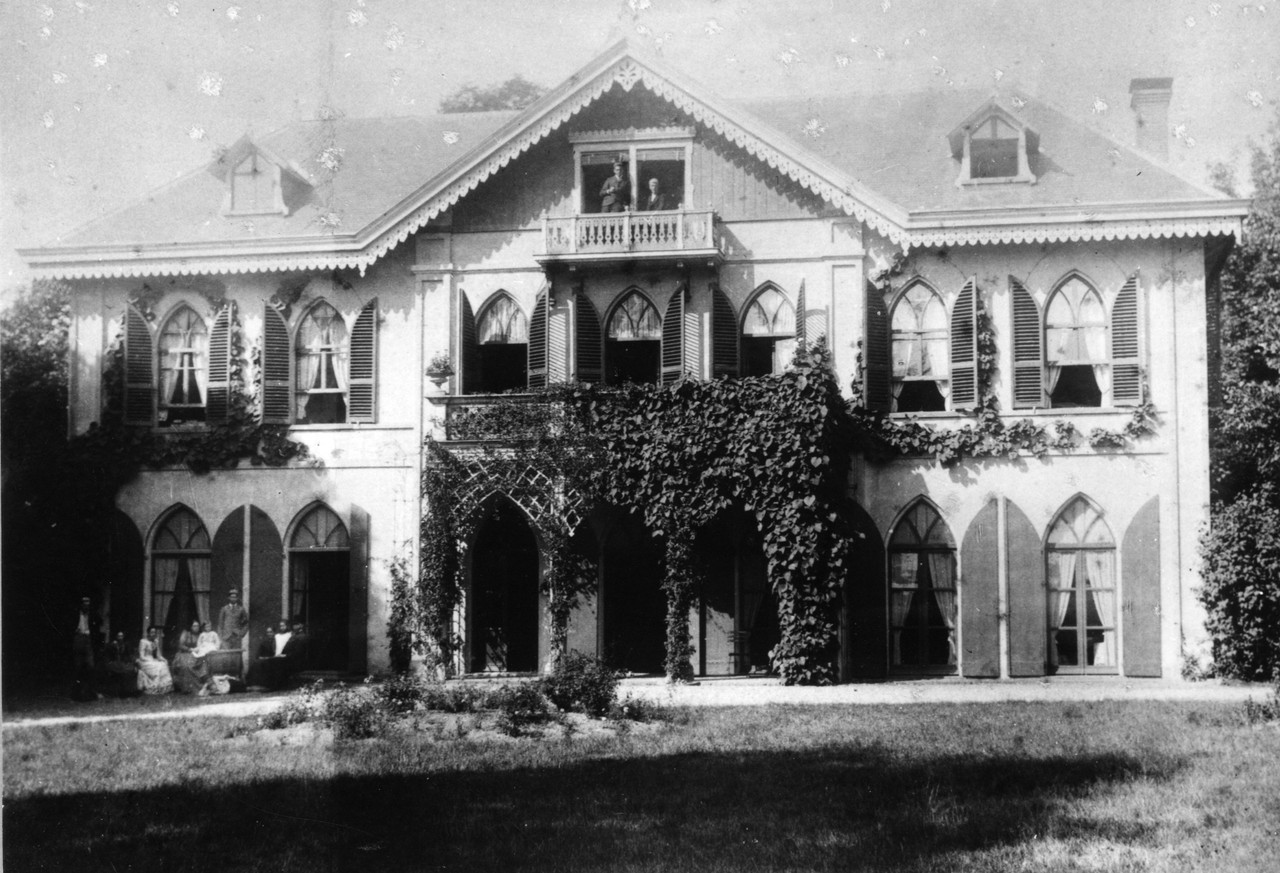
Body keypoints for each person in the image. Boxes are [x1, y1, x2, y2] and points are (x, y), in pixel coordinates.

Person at [71, 596, 101, 701]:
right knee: (78, 667)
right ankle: (76, 694)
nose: (86, 605)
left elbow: (98, 627)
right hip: (78, 639)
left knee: (91, 667)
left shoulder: (93, 615)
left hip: (88, 641)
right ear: (81, 604)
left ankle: (92, 692)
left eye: (88, 602)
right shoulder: (75, 614)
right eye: (84, 602)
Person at [171, 619, 210, 694]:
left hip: (196, 654)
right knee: (187, 666)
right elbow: (180, 645)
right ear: (191, 626)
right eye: (194, 626)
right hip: (184, 654)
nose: (196, 627)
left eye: (198, 626)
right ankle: (188, 688)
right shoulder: (186, 633)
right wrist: (190, 649)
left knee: (203, 664)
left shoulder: (201, 634)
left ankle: (204, 686)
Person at [135, 626, 174, 695]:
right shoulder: (143, 641)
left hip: (152, 660)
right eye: (151, 632)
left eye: (154, 632)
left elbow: (158, 655)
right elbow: (141, 656)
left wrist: (164, 659)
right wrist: (151, 661)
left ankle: (164, 688)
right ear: (148, 633)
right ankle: (154, 687)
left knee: (163, 664)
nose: (153, 634)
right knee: (157, 666)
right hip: (144, 661)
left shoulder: (156, 641)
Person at [101, 630, 138, 698]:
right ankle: (118, 692)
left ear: (123, 637)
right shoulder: (112, 644)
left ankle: (127, 691)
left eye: (121, 636)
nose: (120, 637)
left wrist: (133, 662)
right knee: (119, 670)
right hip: (115, 662)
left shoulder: (125, 644)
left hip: (123, 662)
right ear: (116, 637)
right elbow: (108, 655)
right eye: (119, 636)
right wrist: (109, 661)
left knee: (129, 670)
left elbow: (129, 655)